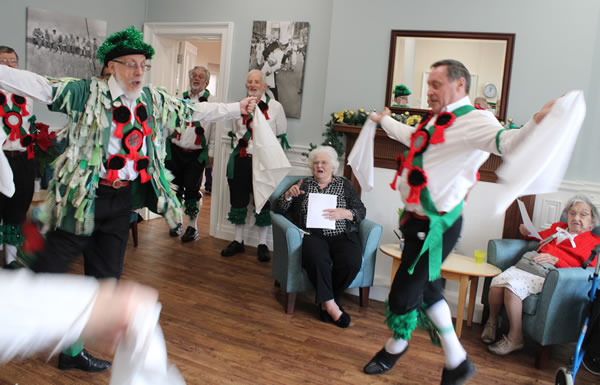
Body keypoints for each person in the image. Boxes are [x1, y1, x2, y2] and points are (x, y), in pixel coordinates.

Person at [0, 26, 256, 372]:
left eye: (142, 65)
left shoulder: (151, 99)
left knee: (106, 283)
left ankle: (72, 353)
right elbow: (40, 86)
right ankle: (19, 282)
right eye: (131, 64)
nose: (138, 72)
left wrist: (235, 107)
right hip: (83, 200)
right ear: (111, 67)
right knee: (47, 271)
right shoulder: (84, 93)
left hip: (121, 204)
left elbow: (191, 111)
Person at [363, 59, 556, 384]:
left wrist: (536, 121)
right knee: (428, 290)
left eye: (436, 84)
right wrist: (386, 121)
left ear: (460, 85)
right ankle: (457, 361)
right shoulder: (437, 120)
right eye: (429, 84)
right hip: (415, 222)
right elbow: (412, 137)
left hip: (437, 227)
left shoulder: (475, 120)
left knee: (402, 296)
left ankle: (395, 346)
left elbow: (507, 143)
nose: (429, 91)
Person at [481, 195, 600, 355]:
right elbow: (538, 236)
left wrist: (556, 260)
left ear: (592, 222)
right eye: (572, 213)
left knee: (511, 289)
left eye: (583, 214)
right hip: (529, 265)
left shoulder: (593, 243)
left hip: (550, 275)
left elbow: (588, 270)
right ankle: (492, 321)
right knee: (496, 284)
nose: (576, 218)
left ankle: (515, 338)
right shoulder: (559, 228)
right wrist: (527, 232)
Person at [273, 146, 365, 327]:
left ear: (333, 166)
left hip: (341, 234)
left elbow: (360, 210)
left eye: (324, 162)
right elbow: (277, 209)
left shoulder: (344, 185)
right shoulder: (303, 185)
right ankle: (331, 306)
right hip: (313, 235)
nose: (319, 166)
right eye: (316, 163)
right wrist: (288, 196)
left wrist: (345, 213)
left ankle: (328, 301)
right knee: (317, 259)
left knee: (351, 261)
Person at [221, 69, 288, 262]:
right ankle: (238, 241)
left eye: (256, 82)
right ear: (246, 85)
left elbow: (281, 132)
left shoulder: (276, 107)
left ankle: (262, 244)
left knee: (263, 201)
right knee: (238, 200)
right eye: (249, 81)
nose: (252, 85)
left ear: (264, 85)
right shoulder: (238, 107)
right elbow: (236, 132)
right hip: (242, 159)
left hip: (264, 162)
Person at [166, 66, 217, 242]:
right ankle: (177, 222)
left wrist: (211, 153)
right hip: (175, 151)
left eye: (200, 77)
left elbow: (215, 131)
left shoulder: (211, 104)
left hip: (196, 156)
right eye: (194, 75)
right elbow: (169, 122)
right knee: (174, 190)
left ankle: (192, 227)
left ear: (206, 82)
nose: (196, 79)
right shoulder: (178, 99)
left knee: (192, 191)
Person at [0, 46, 35, 270]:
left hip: (23, 158)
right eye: (3, 61)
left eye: (13, 61)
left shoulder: (27, 90)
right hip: (0, 159)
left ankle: (11, 260)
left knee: (18, 209)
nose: (9, 65)